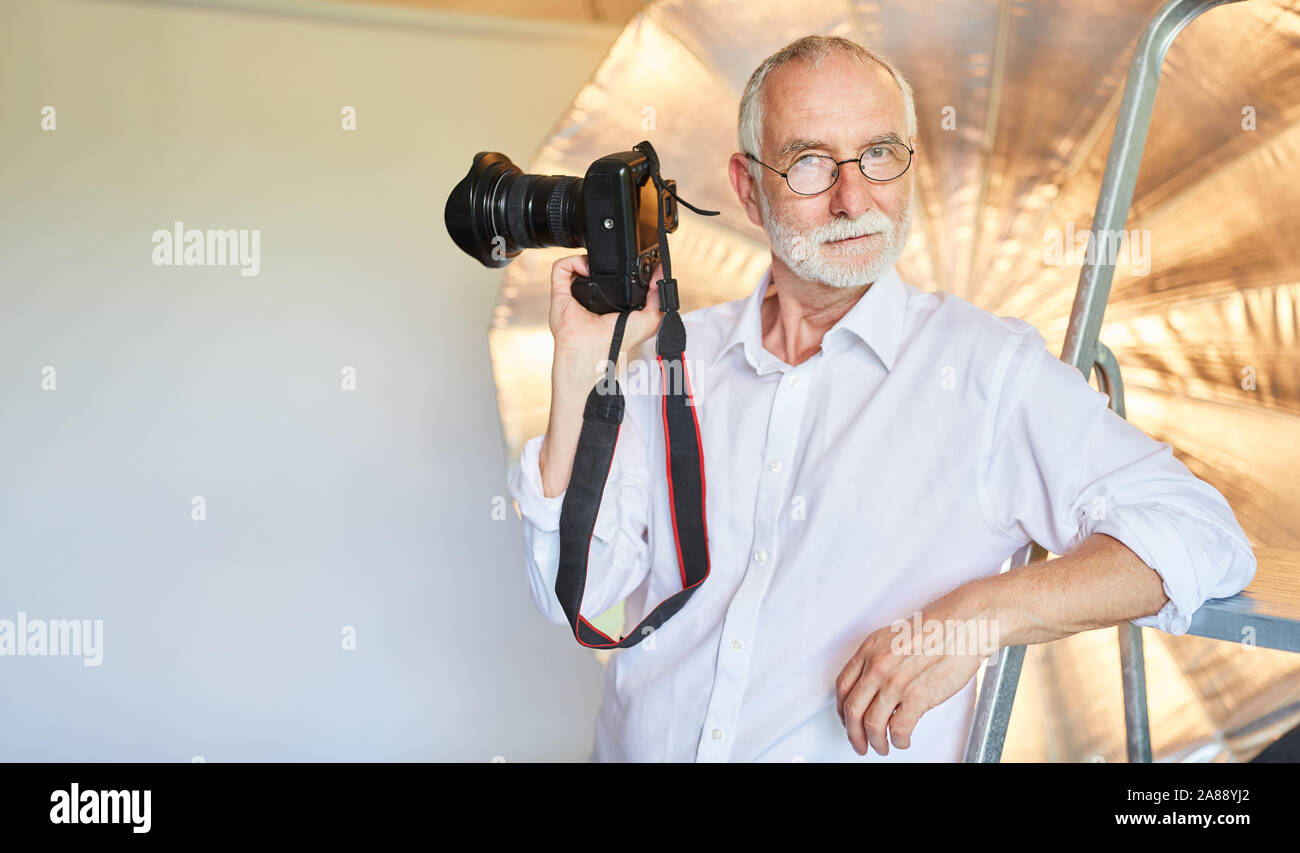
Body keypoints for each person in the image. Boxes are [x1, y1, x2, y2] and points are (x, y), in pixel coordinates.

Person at [506, 34, 1256, 762]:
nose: (851, 198)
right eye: (808, 163)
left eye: (879, 155)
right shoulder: (669, 357)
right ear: (746, 188)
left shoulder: (990, 370)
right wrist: (578, 363)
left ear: (910, 162)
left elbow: (1201, 535)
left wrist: (976, 615)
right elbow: (573, 587)